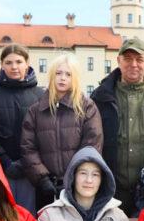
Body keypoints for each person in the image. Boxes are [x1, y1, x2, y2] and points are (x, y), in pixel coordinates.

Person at [90, 37, 144, 217]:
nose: (133, 64)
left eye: (139, 59)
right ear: (118, 60)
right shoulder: (100, 97)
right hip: (111, 186)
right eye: (127, 59)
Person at [21, 54, 103, 210]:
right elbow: (28, 147)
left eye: (68, 74)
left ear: (75, 77)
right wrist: (42, 178)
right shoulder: (36, 110)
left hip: (77, 187)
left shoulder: (86, 107)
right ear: (52, 76)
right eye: (58, 73)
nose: (62, 78)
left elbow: (92, 144)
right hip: (46, 189)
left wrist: (75, 176)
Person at [0, 44, 43, 214]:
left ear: (27, 63)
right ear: (2, 65)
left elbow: (44, 134)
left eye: (19, 61)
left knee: (27, 220)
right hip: (2, 170)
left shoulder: (41, 95)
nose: (14, 67)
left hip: (31, 172)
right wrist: (5, 160)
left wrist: (28, 162)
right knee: (2, 219)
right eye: (9, 62)